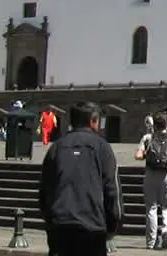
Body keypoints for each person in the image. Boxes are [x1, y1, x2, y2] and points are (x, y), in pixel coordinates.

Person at [38, 103, 122, 256]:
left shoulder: (56, 148)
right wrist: (111, 226)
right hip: (92, 228)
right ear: (93, 121)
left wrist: (51, 221)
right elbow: (112, 191)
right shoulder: (103, 148)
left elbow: (44, 190)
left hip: (60, 227)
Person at [135, 112, 167, 249]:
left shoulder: (147, 138)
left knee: (151, 208)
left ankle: (151, 241)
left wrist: (146, 154)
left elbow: (138, 156)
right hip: (166, 175)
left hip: (150, 174)